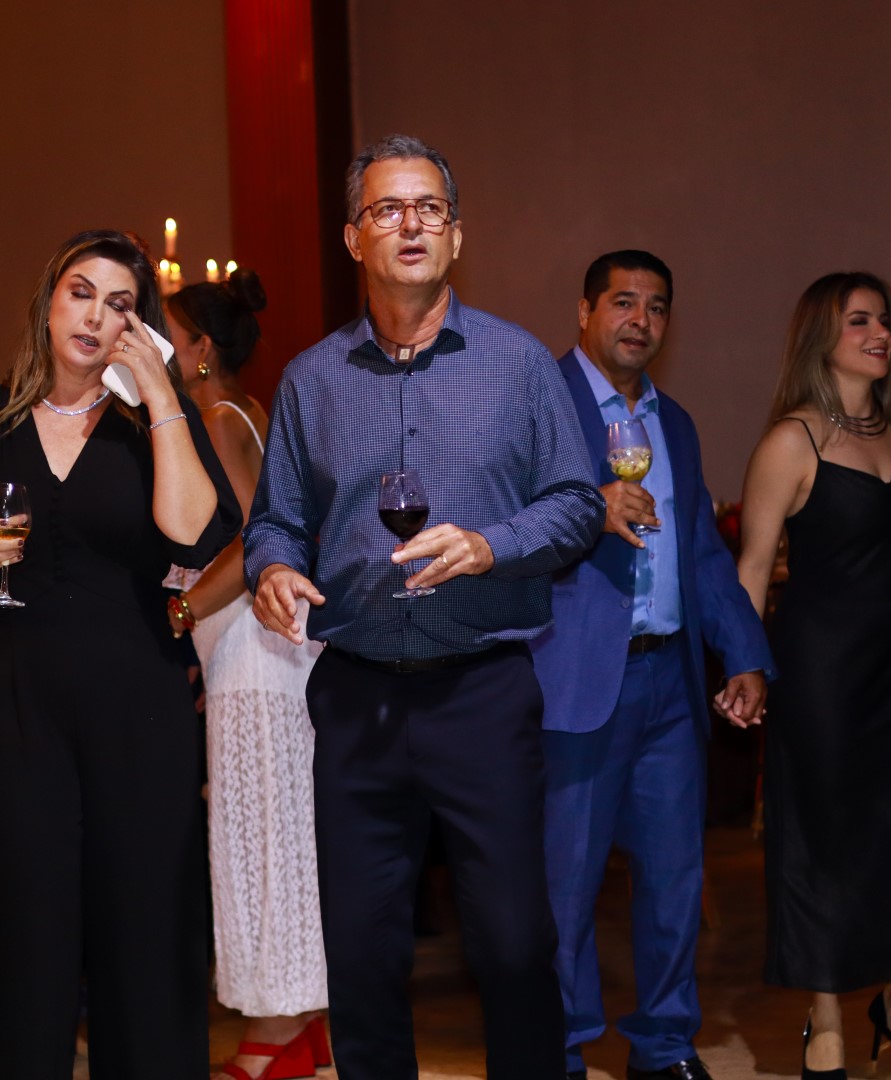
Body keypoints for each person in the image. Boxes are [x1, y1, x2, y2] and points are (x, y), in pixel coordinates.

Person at [244, 134, 604, 1080]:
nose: (411, 225)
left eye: (429, 209)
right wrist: (272, 569)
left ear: (456, 235)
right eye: (388, 210)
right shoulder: (311, 380)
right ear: (354, 237)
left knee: (515, 945)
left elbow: (578, 503)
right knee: (363, 960)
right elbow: (276, 519)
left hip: (482, 692)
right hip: (356, 697)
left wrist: (491, 545)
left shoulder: (518, 363)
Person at [0, 229, 239, 1080]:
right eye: (80, 293)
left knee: (146, 935)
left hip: (140, 706)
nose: (95, 317)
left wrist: (159, 392)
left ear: (141, 327)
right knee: (26, 940)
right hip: (17, 707)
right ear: (48, 305)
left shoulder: (151, 427)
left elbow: (194, 533)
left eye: (119, 304)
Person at [530, 251, 774, 1080]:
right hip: (574, 679)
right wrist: (584, 511)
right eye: (623, 302)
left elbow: (702, 549)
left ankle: (664, 1046)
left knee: (674, 877)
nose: (641, 320)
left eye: (657, 306)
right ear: (585, 311)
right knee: (565, 885)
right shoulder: (541, 405)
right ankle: (561, 1050)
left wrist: (743, 654)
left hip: (669, 678)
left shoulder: (676, 424)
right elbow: (501, 525)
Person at [736, 272, 891, 1080]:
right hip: (822, 670)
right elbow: (752, 567)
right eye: (859, 320)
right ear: (820, 337)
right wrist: (745, 666)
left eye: (884, 320)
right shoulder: (790, 441)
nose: (880, 332)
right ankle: (824, 1018)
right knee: (823, 842)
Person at [162, 271, 329, 1080]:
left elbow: (258, 539)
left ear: (200, 349)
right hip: (272, 652)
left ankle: (273, 1032)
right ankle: (301, 1023)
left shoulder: (217, 420)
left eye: (167, 336)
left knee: (259, 838)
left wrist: (182, 609)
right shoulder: (250, 411)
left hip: (252, 653)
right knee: (281, 834)